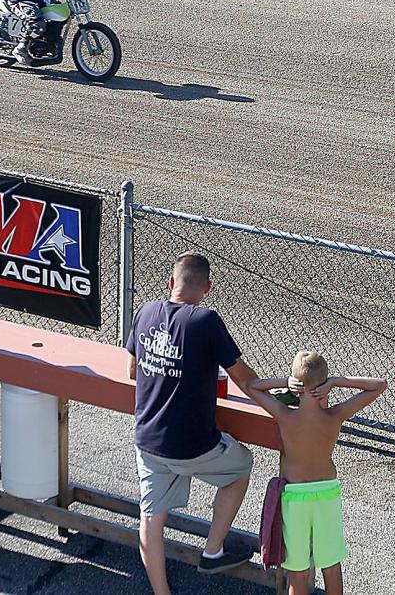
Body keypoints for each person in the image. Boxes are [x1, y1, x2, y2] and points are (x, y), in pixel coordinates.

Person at [124, 252, 261, 594]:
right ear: (207, 288)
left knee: (151, 519)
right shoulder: (206, 320)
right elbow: (245, 380)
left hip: (148, 440)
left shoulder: (144, 311)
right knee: (242, 466)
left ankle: (161, 592)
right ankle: (212, 551)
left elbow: (131, 371)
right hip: (193, 445)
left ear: (171, 283)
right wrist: (280, 398)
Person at [245, 352, 387, 595]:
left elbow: (251, 387)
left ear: (296, 387)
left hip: (296, 497)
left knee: (298, 572)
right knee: (331, 566)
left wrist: (284, 382)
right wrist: (335, 382)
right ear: (324, 385)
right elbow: (379, 385)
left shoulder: (285, 415)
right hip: (326, 495)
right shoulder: (334, 416)